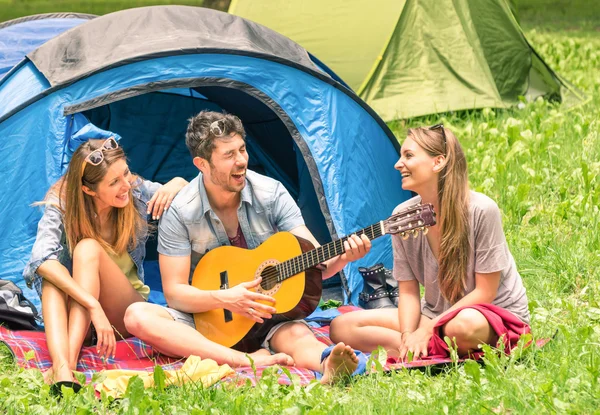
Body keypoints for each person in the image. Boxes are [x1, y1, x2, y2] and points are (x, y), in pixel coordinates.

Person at [124, 111, 371, 384]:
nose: (241, 161)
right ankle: (246, 360)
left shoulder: (271, 193)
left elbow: (315, 263)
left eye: (242, 149)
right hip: (207, 319)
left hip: (267, 316)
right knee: (137, 316)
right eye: (229, 155)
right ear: (202, 164)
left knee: (298, 336)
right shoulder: (181, 211)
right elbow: (175, 294)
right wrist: (227, 299)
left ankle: (329, 365)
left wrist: (343, 259)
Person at [329, 124, 530, 360]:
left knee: (462, 327)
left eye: (409, 156)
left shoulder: (482, 210)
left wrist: (427, 328)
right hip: (435, 313)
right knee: (341, 327)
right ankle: (415, 348)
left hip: (489, 314)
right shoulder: (401, 216)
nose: (397, 164)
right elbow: (409, 293)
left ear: (438, 162)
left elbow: (485, 292)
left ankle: (428, 345)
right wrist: (407, 333)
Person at [23, 137, 188, 390]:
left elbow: (190, 195)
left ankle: (66, 364)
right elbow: (41, 260)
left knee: (87, 249)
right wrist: (91, 304)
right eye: (114, 182)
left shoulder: (136, 192)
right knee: (51, 277)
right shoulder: (63, 203)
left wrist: (177, 182)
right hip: (86, 317)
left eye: (126, 173)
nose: (126, 185)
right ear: (89, 190)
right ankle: (63, 369)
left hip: (125, 311)